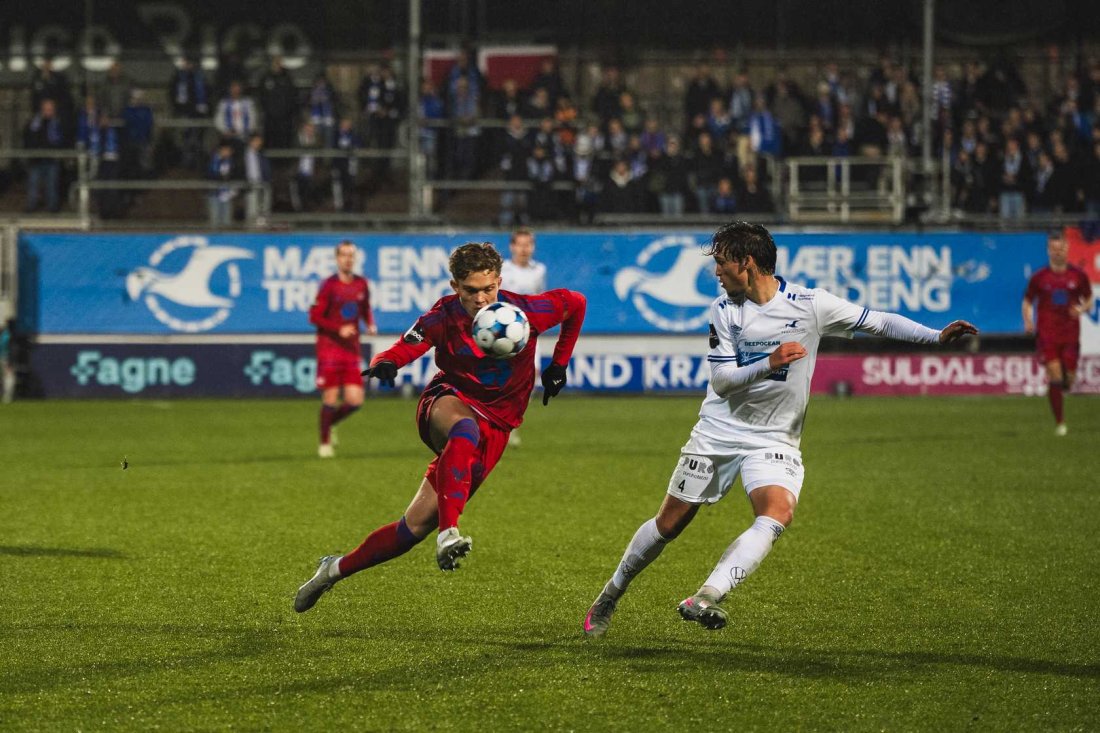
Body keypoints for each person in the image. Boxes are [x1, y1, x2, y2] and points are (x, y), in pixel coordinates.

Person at [582, 221, 978, 638]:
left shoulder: (810, 303)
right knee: (669, 524)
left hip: (774, 438)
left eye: (721, 263)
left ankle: (705, 596)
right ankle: (611, 593)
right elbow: (722, 382)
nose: (716, 273)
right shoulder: (724, 309)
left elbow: (876, 321)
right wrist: (770, 362)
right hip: (718, 431)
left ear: (746, 263)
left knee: (777, 513)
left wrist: (935, 336)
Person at [294, 242, 585, 612]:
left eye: (488, 288)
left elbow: (576, 303)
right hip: (447, 401)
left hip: (498, 425)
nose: (481, 299)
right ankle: (449, 533)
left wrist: (558, 365)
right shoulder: (442, 317)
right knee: (465, 429)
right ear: (454, 286)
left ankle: (333, 569)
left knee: (410, 530)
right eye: (470, 291)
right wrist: (387, 362)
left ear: (499, 281)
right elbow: (407, 344)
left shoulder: (526, 312)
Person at [308, 240, 378, 458]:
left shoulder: (361, 284)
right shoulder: (328, 285)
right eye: (344, 255)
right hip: (329, 348)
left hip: (350, 349)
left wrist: (370, 323)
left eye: (351, 255)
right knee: (330, 398)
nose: (348, 259)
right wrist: (338, 329)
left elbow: (365, 307)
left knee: (355, 400)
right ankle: (324, 442)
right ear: (337, 259)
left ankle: (330, 424)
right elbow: (314, 316)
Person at [1022, 231, 1092, 436]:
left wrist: (1081, 309)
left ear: (1067, 249)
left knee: (1068, 381)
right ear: (1048, 251)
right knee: (1055, 375)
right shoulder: (1039, 277)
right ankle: (1060, 423)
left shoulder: (1078, 276)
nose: (1058, 252)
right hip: (1047, 334)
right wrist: (1028, 320)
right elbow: (1027, 301)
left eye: (1061, 248)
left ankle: (1058, 391)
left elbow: (1088, 299)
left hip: (1070, 334)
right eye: (1053, 249)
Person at [500, 228, 549, 447]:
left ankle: (510, 425)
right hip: (502, 331)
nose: (524, 249)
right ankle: (495, 424)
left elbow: (539, 299)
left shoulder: (539, 270)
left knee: (529, 381)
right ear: (512, 246)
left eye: (528, 244)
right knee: (501, 379)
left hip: (528, 332)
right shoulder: (501, 270)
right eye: (520, 244)